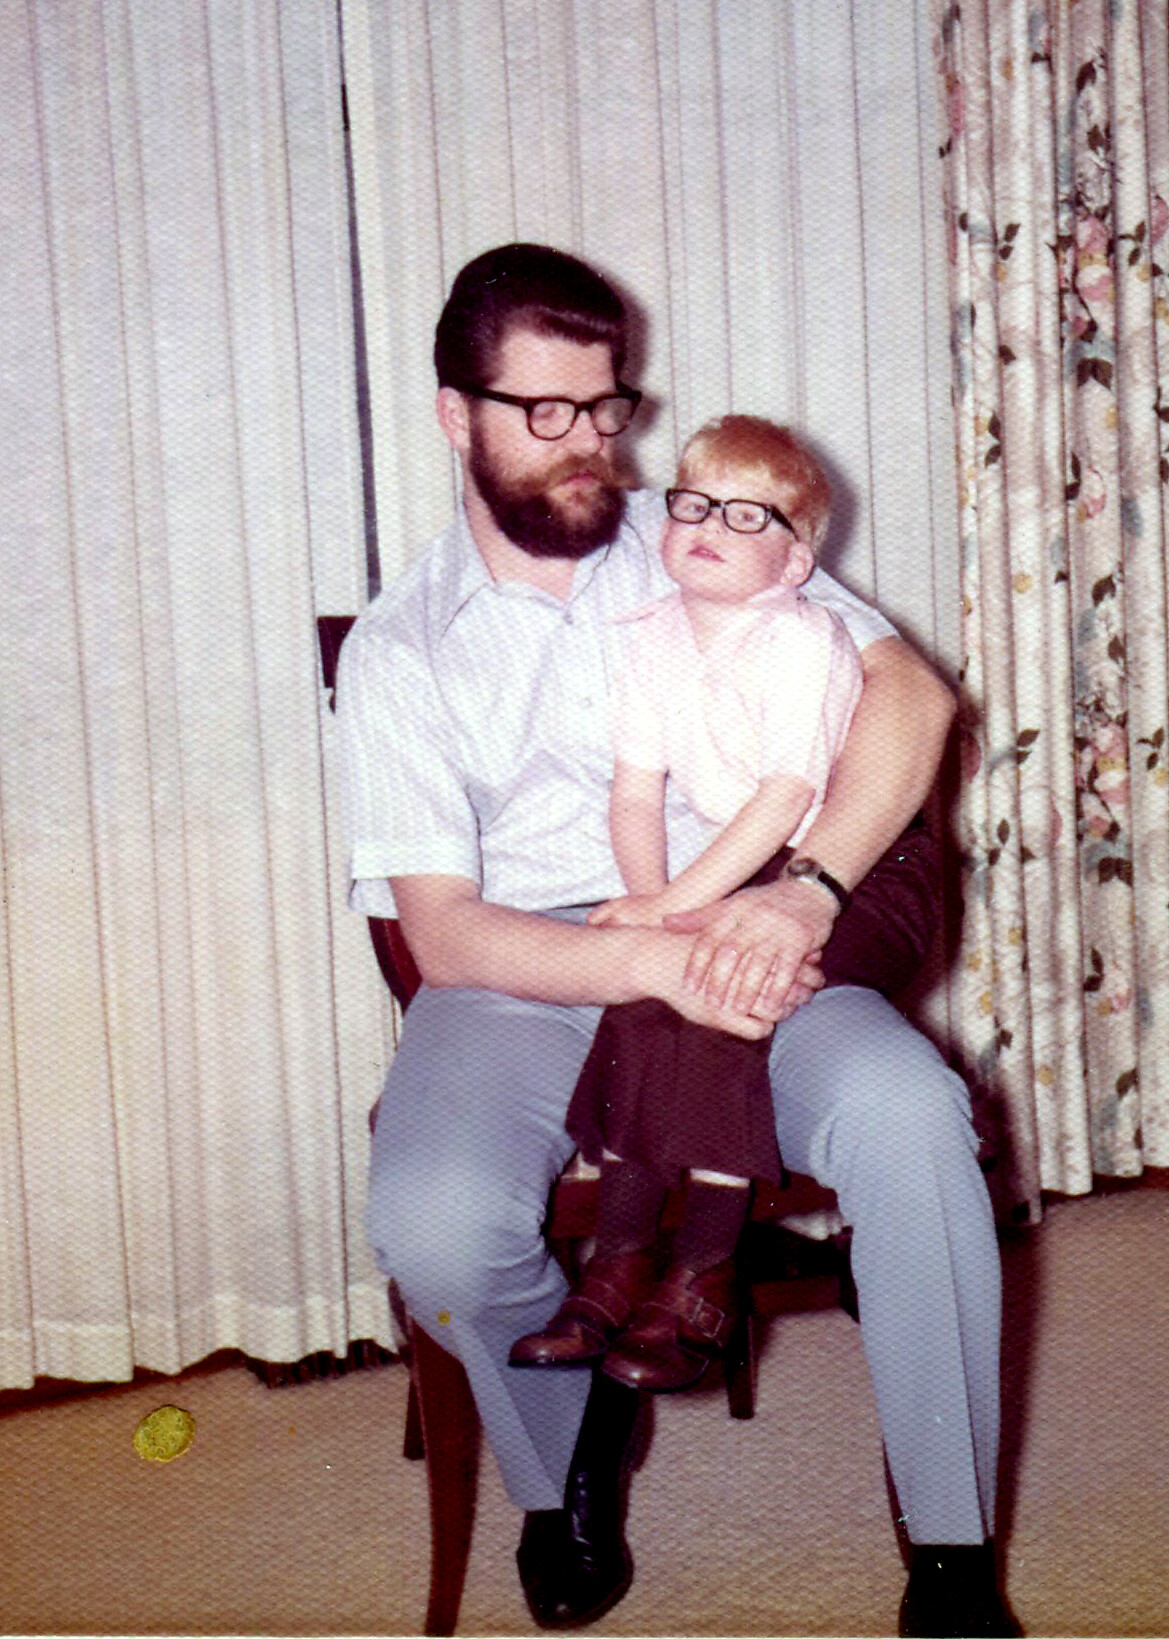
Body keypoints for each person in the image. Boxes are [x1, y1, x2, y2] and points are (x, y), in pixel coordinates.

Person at [336, 242, 1010, 1637]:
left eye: (607, 405)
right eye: (546, 411)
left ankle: (952, 1550)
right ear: (456, 414)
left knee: (908, 1115)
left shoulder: (703, 529)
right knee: (435, 1222)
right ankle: (562, 1456)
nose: (591, 442)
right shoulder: (403, 649)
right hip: (534, 964)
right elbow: (444, 933)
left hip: (748, 926)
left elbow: (909, 696)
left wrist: (807, 889)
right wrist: (650, 955)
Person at [508, 414, 866, 1394]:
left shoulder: (800, 637)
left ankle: (705, 1268)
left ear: (794, 561)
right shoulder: (654, 633)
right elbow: (634, 792)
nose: (709, 525)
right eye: (694, 503)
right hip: (720, 860)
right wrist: (645, 906)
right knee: (639, 999)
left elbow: (785, 798)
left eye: (746, 515)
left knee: (716, 1003)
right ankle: (619, 1261)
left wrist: (677, 907)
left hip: (812, 864)